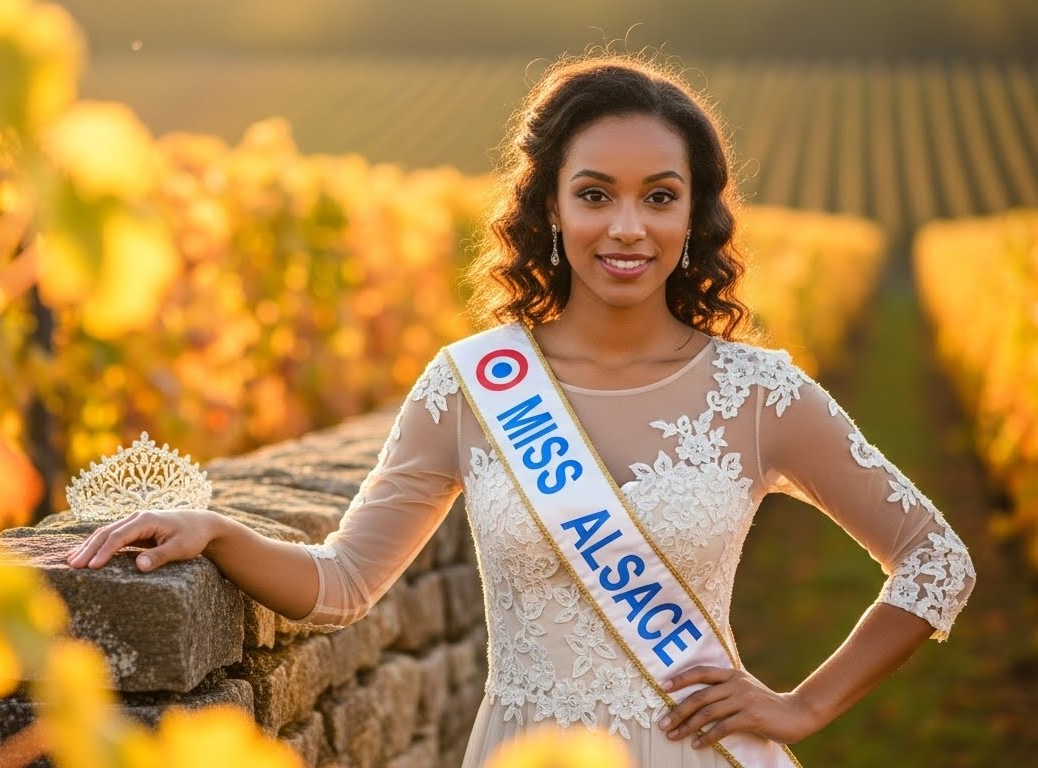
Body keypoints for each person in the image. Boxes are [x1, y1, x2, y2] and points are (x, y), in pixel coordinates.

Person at [66, 54, 976, 766]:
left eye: (660, 197)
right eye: (594, 195)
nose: (627, 228)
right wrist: (219, 532)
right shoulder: (474, 384)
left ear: (696, 216)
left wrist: (802, 707)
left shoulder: (758, 394)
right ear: (546, 205)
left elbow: (934, 561)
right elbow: (341, 585)